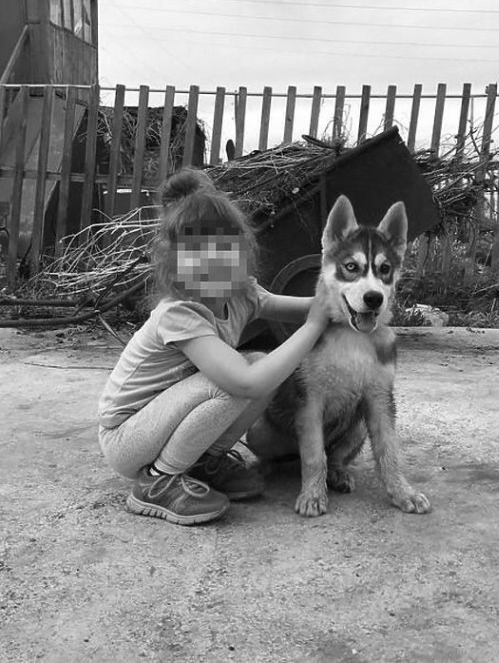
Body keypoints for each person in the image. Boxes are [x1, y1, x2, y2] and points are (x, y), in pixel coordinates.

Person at [98, 168, 329, 526]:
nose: (214, 262)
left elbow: (298, 305)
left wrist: (339, 303)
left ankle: (205, 462)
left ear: (242, 251)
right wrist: (314, 326)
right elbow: (246, 383)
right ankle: (159, 480)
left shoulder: (241, 293)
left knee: (257, 359)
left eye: (225, 249)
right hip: (128, 436)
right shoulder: (180, 313)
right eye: (198, 254)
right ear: (174, 263)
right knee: (238, 378)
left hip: (168, 422)